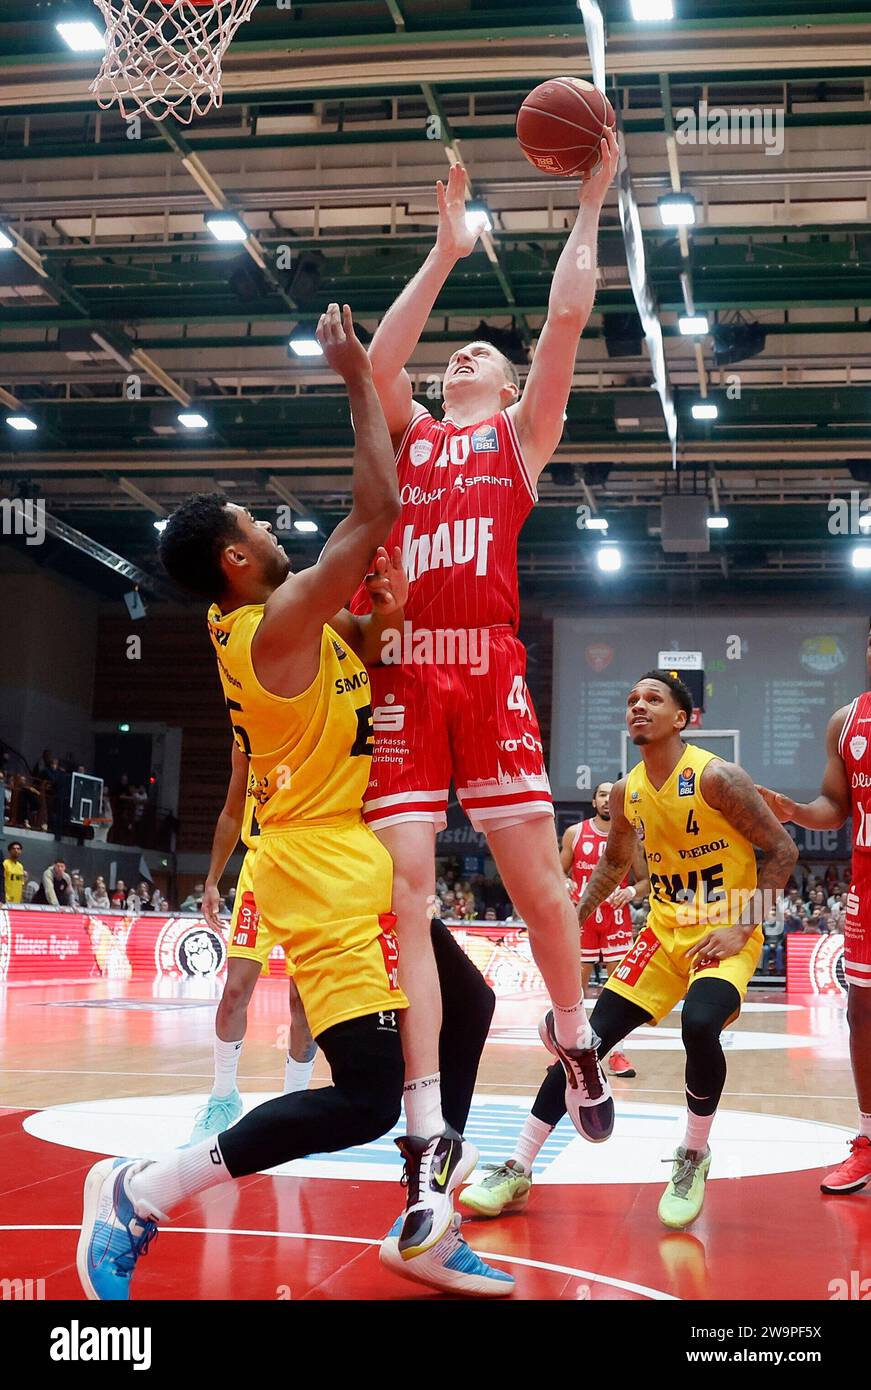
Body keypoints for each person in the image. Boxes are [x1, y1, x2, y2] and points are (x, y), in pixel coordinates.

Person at [77, 303, 511, 1301]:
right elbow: (375, 505)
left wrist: (382, 628)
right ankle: (142, 1190)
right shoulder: (270, 621)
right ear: (236, 562)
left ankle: (421, 1216)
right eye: (256, 528)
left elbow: (349, 661)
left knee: (469, 1006)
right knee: (363, 1094)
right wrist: (361, 377)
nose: (271, 533)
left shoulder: (293, 635)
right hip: (324, 871)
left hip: (353, 860)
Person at [350, 142, 620, 1264]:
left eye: (487, 354)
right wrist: (447, 249)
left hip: (490, 668)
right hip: (410, 672)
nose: (468, 351)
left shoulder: (515, 444)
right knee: (405, 899)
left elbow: (563, 316)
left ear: (508, 393)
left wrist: (592, 201)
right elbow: (375, 364)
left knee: (542, 893)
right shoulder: (411, 441)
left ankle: (572, 1039)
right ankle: (422, 1143)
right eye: (460, 350)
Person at [461, 671, 797, 1228]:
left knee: (701, 1023)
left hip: (724, 933)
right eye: (632, 699)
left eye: (653, 699)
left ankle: (692, 1154)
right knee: (582, 1046)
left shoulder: (718, 778)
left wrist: (742, 929)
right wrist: (570, 919)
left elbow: (783, 851)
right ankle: (517, 1168)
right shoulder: (627, 792)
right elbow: (613, 864)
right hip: (662, 936)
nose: (638, 706)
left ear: (681, 718)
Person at [757, 633, 871, 1195]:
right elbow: (837, 805)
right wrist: (798, 810)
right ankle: (868, 1139)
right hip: (868, 887)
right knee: (863, 1012)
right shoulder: (846, 722)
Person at [187, 740, 320, 1144]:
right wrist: (212, 879)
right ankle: (224, 1097)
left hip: (312, 874)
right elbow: (231, 812)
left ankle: (295, 1107)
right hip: (259, 872)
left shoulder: (321, 723)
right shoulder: (248, 734)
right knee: (234, 993)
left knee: (303, 1003)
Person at [559, 780, 649, 1079]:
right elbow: (557, 873)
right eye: (602, 795)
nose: (608, 800)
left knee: (619, 992)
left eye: (613, 796)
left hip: (616, 918)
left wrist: (632, 893)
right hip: (583, 919)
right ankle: (574, 1055)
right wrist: (566, 883)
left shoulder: (629, 838)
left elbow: (646, 882)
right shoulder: (574, 833)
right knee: (575, 991)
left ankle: (618, 1055)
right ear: (594, 801)